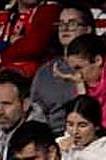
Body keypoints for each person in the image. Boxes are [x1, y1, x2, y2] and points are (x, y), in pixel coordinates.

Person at [30, 4, 96, 134]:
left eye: (72, 23)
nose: (65, 28)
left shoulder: (98, 66)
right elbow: (35, 113)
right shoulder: (45, 72)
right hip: (50, 137)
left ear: (88, 29)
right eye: (61, 24)